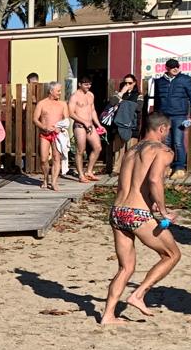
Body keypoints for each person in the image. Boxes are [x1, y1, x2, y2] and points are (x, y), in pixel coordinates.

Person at [101, 114, 180, 325]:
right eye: (168, 130)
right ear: (162, 129)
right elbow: (154, 179)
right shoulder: (163, 151)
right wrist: (163, 211)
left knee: (125, 268)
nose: (168, 134)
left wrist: (150, 201)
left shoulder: (131, 150)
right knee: (172, 255)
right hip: (137, 214)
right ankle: (138, 294)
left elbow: (130, 183)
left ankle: (108, 315)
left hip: (118, 211)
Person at [149, 58, 191, 180]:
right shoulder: (159, 82)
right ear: (167, 68)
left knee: (178, 142)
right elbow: (157, 99)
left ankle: (179, 168)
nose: (175, 69)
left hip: (179, 115)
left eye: (177, 66)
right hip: (164, 117)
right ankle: (167, 166)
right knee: (165, 143)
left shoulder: (185, 80)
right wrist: (156, 115)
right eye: (172, 67)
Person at [32, 82, 69, 190]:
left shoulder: (63, 104)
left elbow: (66, 120)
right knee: (44, 159)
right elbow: (35, 119)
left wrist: (60, 128)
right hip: (45, 134)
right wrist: (44, 127)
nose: (60, 93)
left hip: (57, 134)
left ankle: (54, 182)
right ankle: (45, 179)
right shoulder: (42, 103)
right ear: (51, 91)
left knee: (56, 158)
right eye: (58, 91)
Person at [68, 76, 104, 182]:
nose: (88, 86)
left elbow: (92, 111)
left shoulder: (90, 95)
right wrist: (84, 121)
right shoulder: (74, 96)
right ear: (80, 84)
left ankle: (89, 171)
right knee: (81, 150)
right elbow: (70, 113)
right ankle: (80, 175)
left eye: (90, 84)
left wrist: (99, 125)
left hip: (90, 125)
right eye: (86, 84)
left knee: (97, 147)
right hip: (79, 126)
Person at [108, 75, 142, 171]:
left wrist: (122, 103)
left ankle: (130, 169)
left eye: (130, 83)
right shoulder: (118, 94)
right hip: (119, 124)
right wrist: (122, 93)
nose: (127, 85)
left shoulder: (138, 95)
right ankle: (116, 169)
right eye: (125, 83)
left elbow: (139, 107)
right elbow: (112, 102)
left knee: (131, 149)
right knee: (118, 149)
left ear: (134, 83)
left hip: (132, 125)